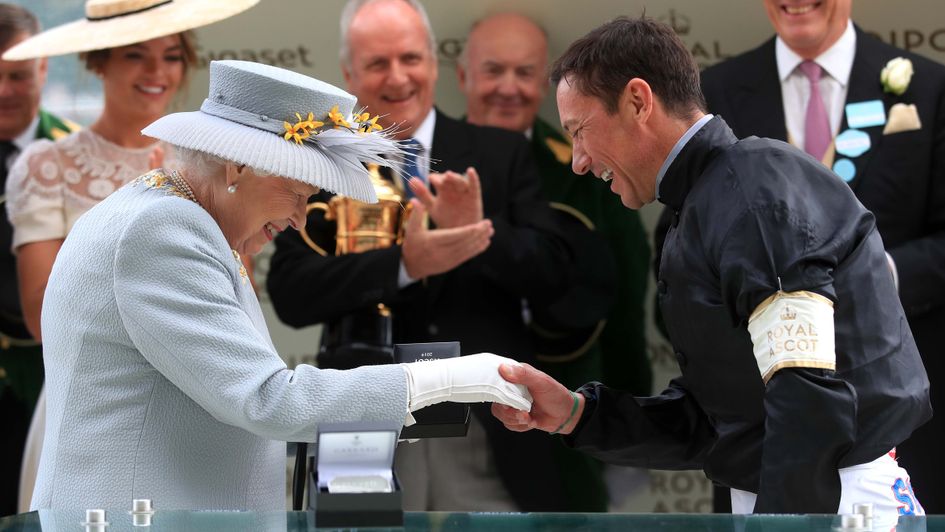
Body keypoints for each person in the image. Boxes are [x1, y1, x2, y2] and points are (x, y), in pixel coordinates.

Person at [28, 58, 532, 511]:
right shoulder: (164, 230)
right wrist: (448, 378)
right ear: (237, 166)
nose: (298, 220)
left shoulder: (175, 216)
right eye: (295, 193)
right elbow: (268, 400)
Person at [492, 16, 931, 517]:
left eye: (579, 131)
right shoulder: (712, 198)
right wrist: (576, 413)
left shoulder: (751, 190)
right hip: (802, 499)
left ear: (638, 101)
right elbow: (718, 421)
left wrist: (778, 528)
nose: (578, 161)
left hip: (834, 504)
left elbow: (809, 397)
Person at [268, 0, 574, 512]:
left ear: (433, 62)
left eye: (410, 58)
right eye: (376, 63)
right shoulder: (320, 163)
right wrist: (405, 265)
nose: (397, 78)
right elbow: (290, 293)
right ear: (348, 72)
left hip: (486, 421)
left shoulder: (498, 152)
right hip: (361, 415)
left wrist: (478, 236)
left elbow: (558, 278)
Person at [651, 0, 945, 512]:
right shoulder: (714, 92)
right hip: (761, 430)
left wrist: (876, 275)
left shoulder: (929, 87)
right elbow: (677, 245)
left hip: (892, 424)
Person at [1, 0, 260, 513]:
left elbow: (233, 295)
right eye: (135, 56)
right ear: (99, 62)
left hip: (201, 401)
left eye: (171, 55)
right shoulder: (47, 163)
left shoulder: (214, 169)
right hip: (93, 407)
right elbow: (38, 315)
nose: (156, 72)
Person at [457, 12, 651, 512]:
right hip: (447, 432)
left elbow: (625, 308)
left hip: (560, 432)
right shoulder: (425, 163)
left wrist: (629, 426)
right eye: (493, 70)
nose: (509, 88)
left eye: (524, 73)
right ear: (461, 77)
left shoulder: (585, 168)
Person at [0, 3, 78, 517]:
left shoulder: (72, 151)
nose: (4, 91)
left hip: (54, 381)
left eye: (18, 76)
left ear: (44, 69)